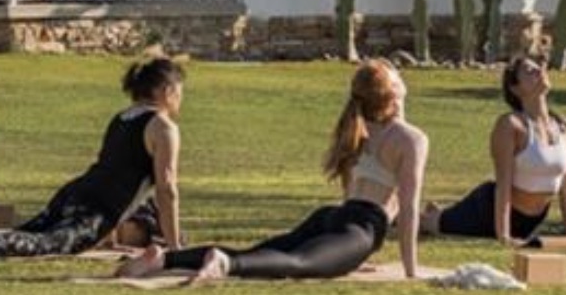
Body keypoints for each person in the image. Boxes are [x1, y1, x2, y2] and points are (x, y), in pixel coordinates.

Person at [120, 58, 427, 281]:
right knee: (298, 264)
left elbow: (357, 185)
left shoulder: (359, 126)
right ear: (393, 93)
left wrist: (346, 252)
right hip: (362, 228)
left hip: (332, 216)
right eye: (397, 76)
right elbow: (409, 208)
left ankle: (164, 259)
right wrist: (411, 271)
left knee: (257, 253)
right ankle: (225, 265)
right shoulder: (411, 139)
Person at [0, 56, 183, 259]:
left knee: (24, 233)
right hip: (94, 209)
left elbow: (116, 172)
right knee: (45, 245)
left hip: (75, 192)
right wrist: (174, 247)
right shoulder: (163, 127)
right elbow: (166, 188)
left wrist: (111, 238)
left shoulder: (123, 117)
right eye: (179, 90)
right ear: (168, 91)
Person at [422, 55, 566, 244]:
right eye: (529, 71)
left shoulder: (563, 127)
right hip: (486, 212)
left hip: (530, 221)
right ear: (515, 88)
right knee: (430, 224)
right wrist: (503, 235)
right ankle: (405, 212)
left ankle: (437, 211)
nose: (539, 71)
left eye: (538, 67)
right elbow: (503, 184)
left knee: (440, 217)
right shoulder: (511, 125)